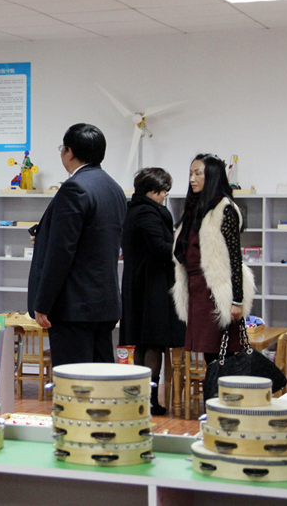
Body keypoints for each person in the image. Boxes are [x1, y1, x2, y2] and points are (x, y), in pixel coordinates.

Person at [27, 123, 126, 366]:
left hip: (74, 306)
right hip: (104, 302)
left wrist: (43, 302)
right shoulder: (114, 188)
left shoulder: (74, 188)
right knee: (101, 378)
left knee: (74, 381)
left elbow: (62, 251)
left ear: (69, 152)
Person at [172, 154, 255, 365]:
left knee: (222, 354)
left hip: (216, 291)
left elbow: (235, 259)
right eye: (191, 174)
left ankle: (219, 388)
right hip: (196, 289)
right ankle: (212, 387)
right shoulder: (194, 209)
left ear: (212, 176)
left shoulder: (224, 209)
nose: (192, 179)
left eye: (198, 173)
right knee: (208, 354)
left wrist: (237, 301)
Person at [119, 167, 185, 416]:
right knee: (153, 342)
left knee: (143, 342)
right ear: (153, 191)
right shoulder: (147, 212)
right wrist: (183, 249)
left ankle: (141, 398)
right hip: (152, 286)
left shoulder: (134, 210)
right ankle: (149, 400)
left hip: (139, 284)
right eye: (163, 191)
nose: (165, 195)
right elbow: (159, 247)